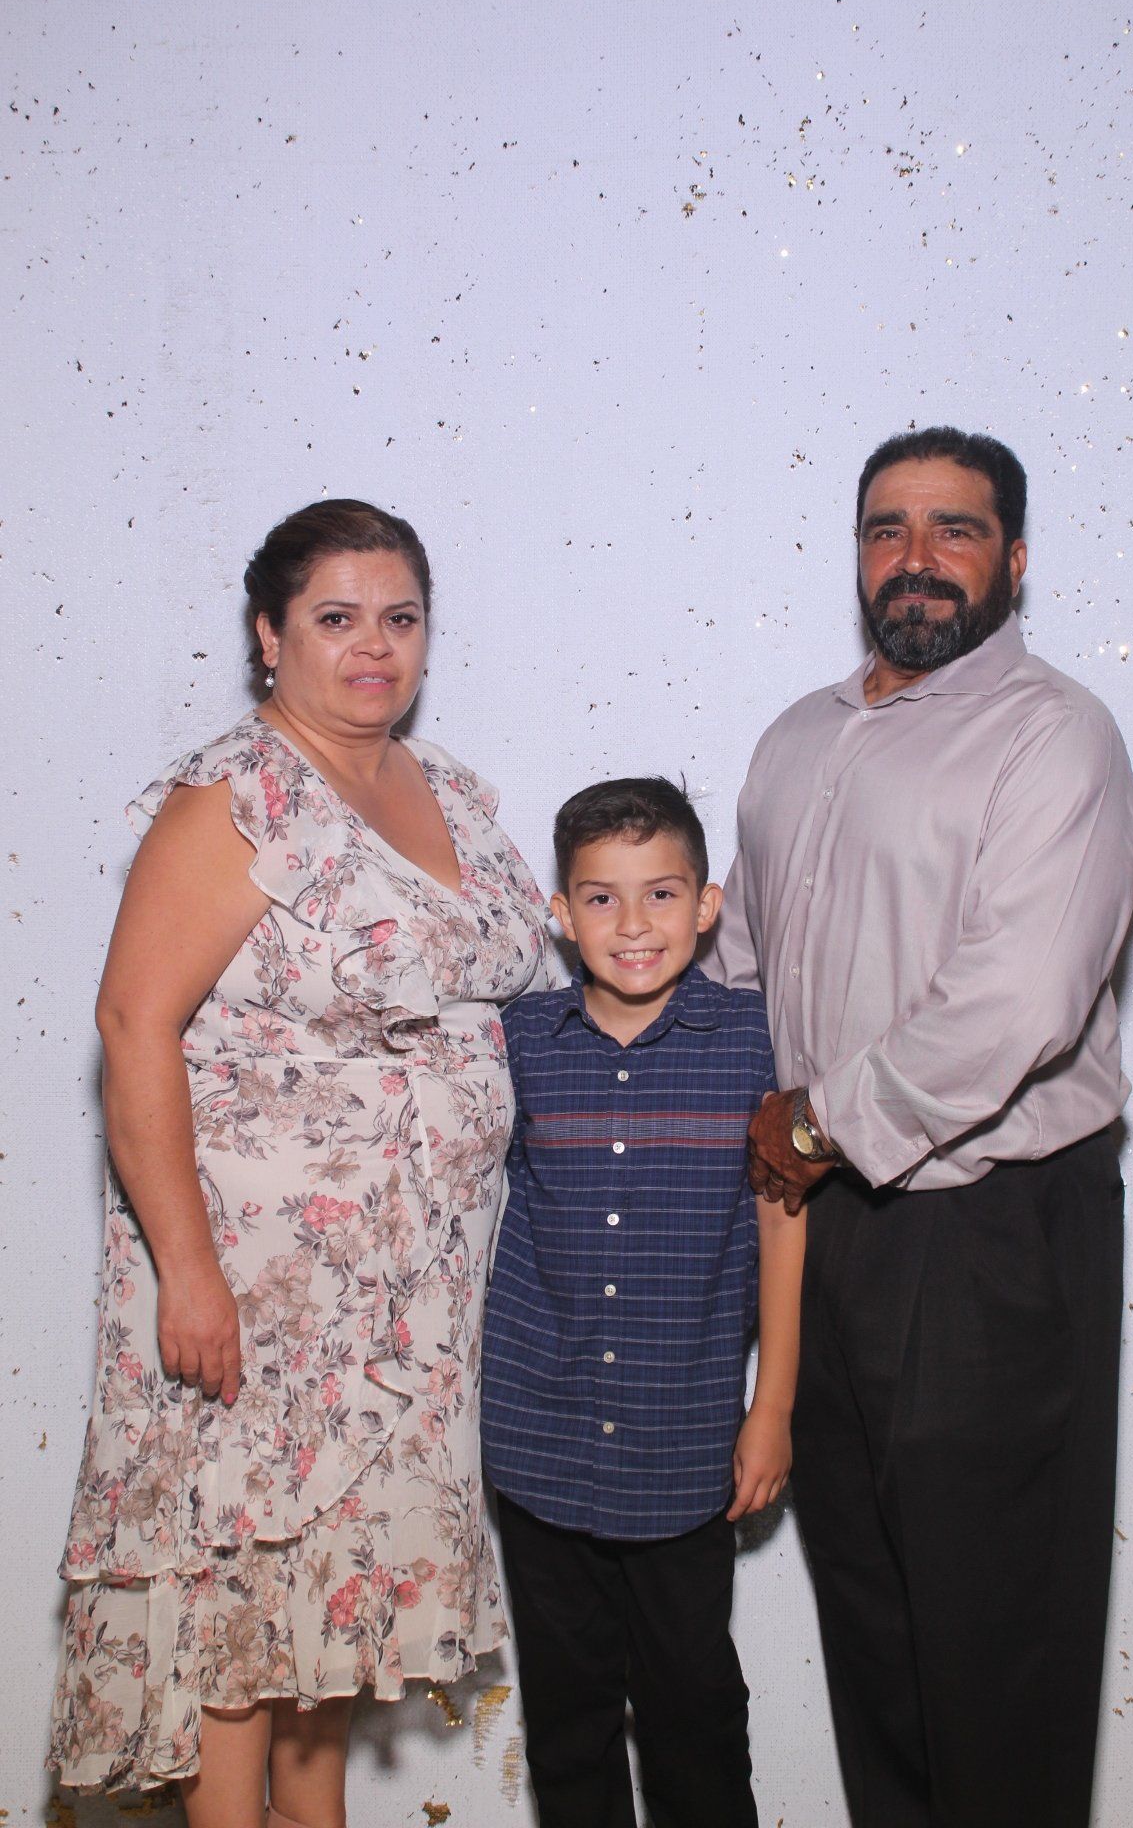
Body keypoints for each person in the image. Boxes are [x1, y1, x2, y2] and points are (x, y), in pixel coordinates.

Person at [48, 499, 552, 1827]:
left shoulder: (445, 793)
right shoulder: (237, 798)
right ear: (270, 637)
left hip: (407, 1310)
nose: (373, 646)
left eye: (399, 618)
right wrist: (188, 1274)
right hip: (258, 1297)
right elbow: (132, 1025)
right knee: (235, 1631)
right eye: (336, 618)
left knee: (324, 1628)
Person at [708, 427, 1133, 1828]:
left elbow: (1018, 1001)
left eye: (953, 529)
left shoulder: (1054, 735)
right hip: (822, 1228)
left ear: (1013, 558)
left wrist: (816, 1127)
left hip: (987, 1243)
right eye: (884, 529)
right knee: (875, 1630)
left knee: (995, 1645)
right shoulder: (797, 740)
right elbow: (743, 978)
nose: (914, 558)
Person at [481, 779, 807, 1828]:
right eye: (602, 899)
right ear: (560, 913)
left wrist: (772, 1407)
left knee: (692, 1710)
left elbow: (782, 1223)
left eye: (660, 894)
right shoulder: (518, 1042)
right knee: (567, 1721)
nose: (633, 925)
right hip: (540, 1440)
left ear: (706, 906)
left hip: (685, 1447)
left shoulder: (756, 1040)